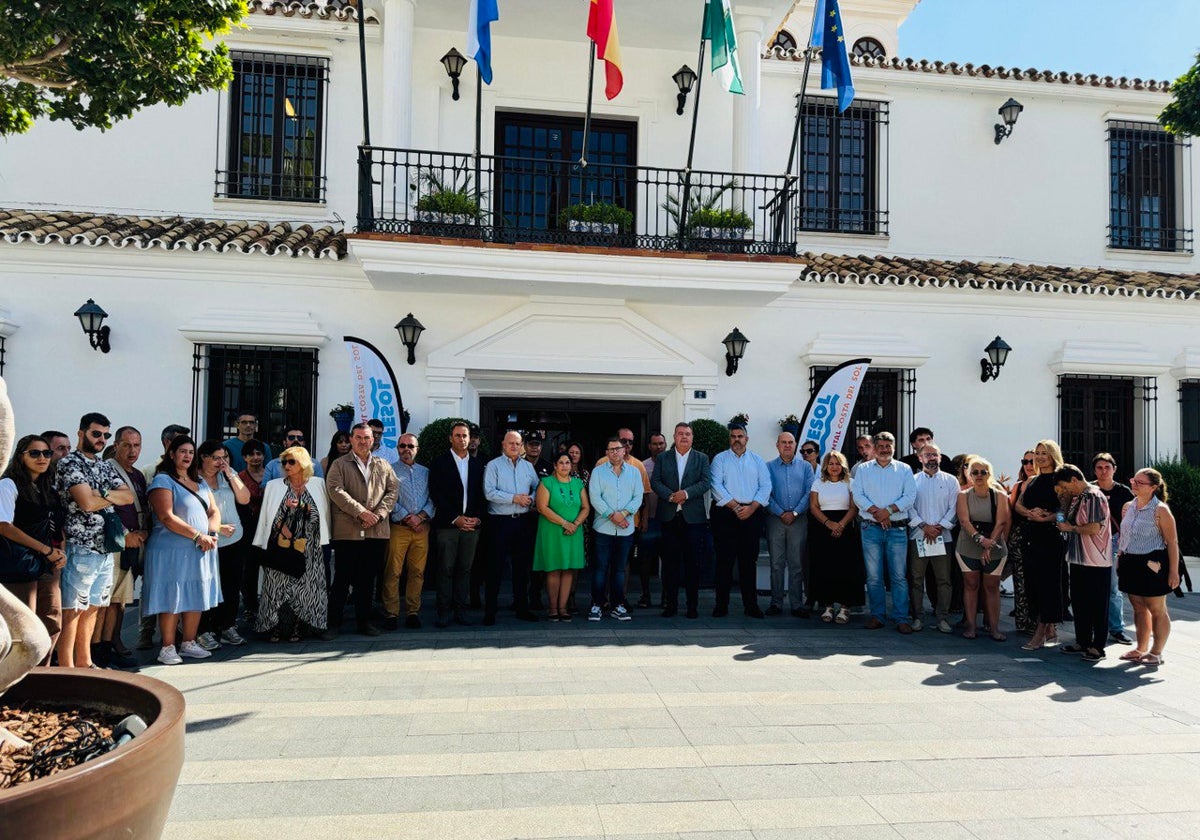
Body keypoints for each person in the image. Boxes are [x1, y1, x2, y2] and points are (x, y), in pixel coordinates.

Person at [55, 412, 135, 668]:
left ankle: (85, 662)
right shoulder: (70, 464)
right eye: (96, 433)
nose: (101, 439)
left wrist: (99, 493)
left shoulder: (102, 465)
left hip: (105, 549)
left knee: (93, 608)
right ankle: (67, 667)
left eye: (106, 435)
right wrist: (106, 497)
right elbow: (85, 503)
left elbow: (128, 497)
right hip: (81, 546)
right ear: (81, 433)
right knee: (73, 610)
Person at [142, 435, 222, 665]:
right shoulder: (163, 481)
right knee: (172, 595)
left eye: (190, 452)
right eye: (183, 451)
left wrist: (212, 534)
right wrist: (198, 535)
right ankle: (167, 646)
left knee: (195, 593)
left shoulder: (200, 481)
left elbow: (213, 511)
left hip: (200, 548)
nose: (187, 456)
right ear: (171, 454)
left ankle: (189, 642)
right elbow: (166, 516)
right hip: (171, 550)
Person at [323, 423, 398, 637]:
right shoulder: (339, 464)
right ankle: (334, 623)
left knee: (367, 580)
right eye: (358, 438)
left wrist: (379, 514)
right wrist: (361, 512)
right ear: (352, 439)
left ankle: (364, 622)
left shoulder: (383, 464)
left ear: (373, 440)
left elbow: (393, 491)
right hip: (348, 531)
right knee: (342, 579)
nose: (363, 441)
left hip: (376, 531)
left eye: (367, 438)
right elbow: (335, 490)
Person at [253, 445, 331, 642]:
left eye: (291, 461)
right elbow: (268, 516)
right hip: (281, 546)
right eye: (284, 462)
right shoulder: (274, 486)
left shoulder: (318, 484)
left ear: (303, 463)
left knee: (307, 589)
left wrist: (302, 508)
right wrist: (283, 525)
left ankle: (300, 627)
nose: (286, 466)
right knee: (277, 588)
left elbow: (321, 516)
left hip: (310, 548)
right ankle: (276, 627)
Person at [0, 435, 66, 664]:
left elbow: (56, 525)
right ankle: (17, 681)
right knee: (23, 627)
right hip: (18, 564)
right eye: (34, 453)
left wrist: (58, 551)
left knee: (52, 620)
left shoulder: (47, 487)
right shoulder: (8, 484)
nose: (42, 458)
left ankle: (42, 674)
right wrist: (45, 550)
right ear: (21, 456)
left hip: (47, 563)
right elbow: (4, 526)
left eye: (46, 453)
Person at [851, 431, 917, 633]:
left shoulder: (905, 469)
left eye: (889, 446)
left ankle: (901, 618)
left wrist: (887, 511)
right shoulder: (863, 469)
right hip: (870, 529)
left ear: (894, 447)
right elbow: (858, 495)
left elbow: (910, 497)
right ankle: (877, 616)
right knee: (874, 577)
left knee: (898, 576)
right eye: (881, 446)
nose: (885, 450)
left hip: (897, 530)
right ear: (874, 447)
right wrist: (876, 513)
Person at [1117, 468, 1181, 666]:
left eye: (1140, 482)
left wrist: (1173, 571)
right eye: (1133, 480)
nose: (1134, 484)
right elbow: (1125, 534)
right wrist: (1120, 556)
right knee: (1137, 606)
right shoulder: (1128, 506)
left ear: (1154, 487)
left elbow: (1172, 542)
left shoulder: (1161, 510)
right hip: (1130, 561)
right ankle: (1140, 648)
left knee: (1157, 608)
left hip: (1153, 563)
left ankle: (1156, 652)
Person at [97, 425, 148, 668]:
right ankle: (102, 648)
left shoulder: (137, 475)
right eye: (126, 445)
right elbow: (104, 507)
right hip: (115, 542)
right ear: (115, 445)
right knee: (107, 600)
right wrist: (125, 534)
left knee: (121, 600)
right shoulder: (106, 469)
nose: (132, 450)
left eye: (136, 445)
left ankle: (113, 642)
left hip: (135, 543)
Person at [709, 423, 771, 619]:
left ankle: (751, 606)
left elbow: (766, 486)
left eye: (740, 436)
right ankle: (721, 605)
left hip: (752, 514)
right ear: (730, 439)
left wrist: (751, 508)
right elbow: (716, 485)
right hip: (726, 515)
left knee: (748, 562)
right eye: (733, 436)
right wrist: (736, 507)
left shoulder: (758, 461)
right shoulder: (720, 459)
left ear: (747, 439)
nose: (737, 439)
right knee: (724, 562)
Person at [650, 422, 711, 619]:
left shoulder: (701, 458)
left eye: (688, 434)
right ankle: (671, 605)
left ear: (692, 437)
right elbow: (655, 482)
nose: (684, 437)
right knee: (670, 564)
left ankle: (692, 606)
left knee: (693, 563)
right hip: (669, 517)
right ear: (674, 437)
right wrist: (670, 496)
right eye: (680, 433)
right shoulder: (663, 458)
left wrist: (685, 493)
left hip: (693, 519)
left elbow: (705, 482)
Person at [429, 421, 486, 625]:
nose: (462, 439)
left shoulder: (478, 465)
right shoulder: (439, 463)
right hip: (447, 525)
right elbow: (436, 493)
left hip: (472, 525)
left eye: (465, 436)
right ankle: (443, 611)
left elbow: (482, 494)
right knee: (445, 568)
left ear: (470, 439)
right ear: (450, 438)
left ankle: (461, 610)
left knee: (465, 569)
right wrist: (455, 518)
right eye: (458, 435)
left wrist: (477, 517)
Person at [1053, 464, 1112, 661]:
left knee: (1097, 604)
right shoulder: (1076, 497)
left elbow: (1094, 528)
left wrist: (1072, 528)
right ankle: (1083, 640)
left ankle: (1098, 646)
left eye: (1064, 486)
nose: (1064, 490)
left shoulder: (1094, 495)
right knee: (1080, 602)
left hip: (1096, 561)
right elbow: (1063, 521)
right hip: (1078, 559)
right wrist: (1061, 503)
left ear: (1074, 480)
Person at [196, 440, 251, 649]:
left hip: (234, 539)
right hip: (208, 540)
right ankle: (205, 629)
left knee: (231, 585)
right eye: (216, 458)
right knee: (208, 585)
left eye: (224, 457)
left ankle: (227, 625)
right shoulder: (195, 478)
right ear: (204, 457)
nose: (221, 462)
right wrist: (217, 528)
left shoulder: (228, 475)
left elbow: (245, 499)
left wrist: (231, 474)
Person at [1013, 439, 1066, 649]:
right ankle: (1047, 628)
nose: (1040, 456)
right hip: (1030, 538)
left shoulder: (1060, 480)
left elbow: (1066, 514)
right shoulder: (1033, 480)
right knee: (1032, 585)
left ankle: (1041, 632)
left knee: (1048, 586)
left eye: (1045, 452)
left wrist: (1048, 518)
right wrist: (1028, 513)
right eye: (1038, 452)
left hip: (1051, 539)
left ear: (1053, 455)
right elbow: (1018, 504)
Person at [483, 431, 541, 625]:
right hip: (499, 522)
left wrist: (531, 498)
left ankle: (521, 608)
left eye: (518, 443)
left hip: (522, 522)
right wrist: (515, 498)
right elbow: (489, 493)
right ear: (503, 444)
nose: (514, 446)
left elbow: (537, 487)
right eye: (511, 443)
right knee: (494, 568)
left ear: (521, 445)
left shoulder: (527, 467)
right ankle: (490, 611)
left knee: (521, 568)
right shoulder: (493, 466)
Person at [955, 457, 1010, 641]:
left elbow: (1002, 521)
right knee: (971, 585)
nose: (979, 475)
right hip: (969, 544)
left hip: (994, 543)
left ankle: (994, 627)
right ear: (969, 475)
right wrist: (981, 540)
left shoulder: (1000, 495)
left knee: (992, 586)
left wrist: (990, 543)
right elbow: (964, 521)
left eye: (983, 472)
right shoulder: (963, 495)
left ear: (989, 474)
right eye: (975, 472)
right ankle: (971, 626)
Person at [383, 433, 433, 630]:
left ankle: (413, 612)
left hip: (422, 528)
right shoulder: (389, 471)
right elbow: (387, 498)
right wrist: (406, 516)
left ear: (417, 449)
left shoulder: (426, 472)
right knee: (393, 572)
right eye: (402, 446)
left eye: (410, 446)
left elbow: (433, 497)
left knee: (417, 572)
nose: (406, 449)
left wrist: (420, 517)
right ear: (397, 448)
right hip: (399, 528)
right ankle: (391, 613)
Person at [587, 439, 641, 622]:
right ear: (607, 453)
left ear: (624, 451)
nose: (615, 452)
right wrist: (613, 515)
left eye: (618, 449)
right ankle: (596, 605)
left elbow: (638, 497)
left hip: (626, 530)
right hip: (603, 528)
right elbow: (595, 497)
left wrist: (624, 514)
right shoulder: (598, 472)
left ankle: (618, 605)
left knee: (619, 570)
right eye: (611, 450)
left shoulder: (634, 473)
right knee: (600, 568)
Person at [908, 443, 959, 633]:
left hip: (942, 537)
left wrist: (939, 527)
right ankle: (918, 618)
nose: (932, 458)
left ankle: (942, 618)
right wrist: (924, 526)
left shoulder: (951, 481)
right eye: (927, 455)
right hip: (919, 536)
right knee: (916, 580)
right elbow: (908, 506)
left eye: (935, 455)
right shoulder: (911, 480)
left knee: (944, 580)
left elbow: (954, 508)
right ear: (920, 458)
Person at [808, 451, 862, 623]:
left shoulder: (851, 483)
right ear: (826, 466)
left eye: (837, 463)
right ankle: (828, 606)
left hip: (845, 529)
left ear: (843, 466)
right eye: (831, 463)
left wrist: (840, 525)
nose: (834, 467)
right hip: (823, 529)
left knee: (845, 568)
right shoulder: (818, 483)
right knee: (825, 567)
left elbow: (854, 508)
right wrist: (828, 523)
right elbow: (814, 507)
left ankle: (845, 607)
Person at [534, 452, 589, 621]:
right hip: (553, 531)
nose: (565, 465)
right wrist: (565, 523)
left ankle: (563, 608)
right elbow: (542, 508)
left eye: (567, 462)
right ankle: (552, 608)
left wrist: (575, 524)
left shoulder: (578, 483)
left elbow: (586, 507)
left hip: (573, 532)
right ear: (555, 465)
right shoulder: (546, 483)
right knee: (554, 569)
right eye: (561, 462)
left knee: (569, 570)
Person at [766, 431, 815, 617]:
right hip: (775, 520)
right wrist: (780, 512)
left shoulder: (805, 468)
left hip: (799, 520)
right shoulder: (768, 467)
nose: (787, 445)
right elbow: (765, 493)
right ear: (777, 445)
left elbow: (810, 492)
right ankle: (776, 603)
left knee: (796, 564)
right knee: (776, 563)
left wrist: (794, 512)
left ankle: (796, 604)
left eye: (790, 442)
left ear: (796, 445)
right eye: (783, 442)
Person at [1092, 453, 1135, 646]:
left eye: (1107, 467)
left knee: (1113, 587)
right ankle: (1091, 628)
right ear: (1094, 470)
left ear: (1114, 469)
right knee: (1090, 587)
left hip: (1115, 541)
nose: (1103, 471)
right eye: (1099, 468)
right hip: (1090, 542)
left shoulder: (1124, 492)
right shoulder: (1089, 490)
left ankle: (1116, 629)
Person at [235, 438, 268, 629]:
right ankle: (250, 605)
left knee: (270, 565)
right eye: (251, 454)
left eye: (259, 453)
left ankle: (269, 602)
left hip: (268, 527)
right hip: (247, 528)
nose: (255, 457)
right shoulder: (239, 477)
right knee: (250, 569)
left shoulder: (270, 474)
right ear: (245, 457)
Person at [634, 432, 668, 608]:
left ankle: (666, 596)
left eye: (661, 443)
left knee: (668, 560)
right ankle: (645, 594)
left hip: (668, 520)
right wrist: (643, 519)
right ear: (649, 446)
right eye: (655, 444)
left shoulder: (672, 464)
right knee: (645, 560)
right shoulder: (642, 466)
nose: (659, 447)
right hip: (649, 519)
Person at [1007, 449, 1038, 636]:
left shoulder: (1048, 484)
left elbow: (1061, 512)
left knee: (1038, 581)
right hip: (1019, 538)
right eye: (1025, 461)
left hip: (1041, 537)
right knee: (1020, 582)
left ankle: (1040, 623)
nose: (1028, 465)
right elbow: (1011, 514)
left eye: (1032, 461)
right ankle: (1022, 621)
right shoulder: (1018, 486)